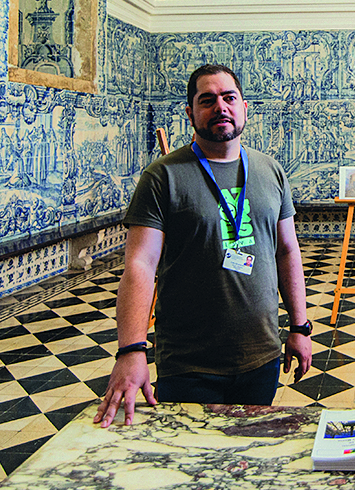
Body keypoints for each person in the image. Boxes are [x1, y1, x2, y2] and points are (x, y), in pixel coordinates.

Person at [95, 64, 312, 426]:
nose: (220, 107)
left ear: (244, 107)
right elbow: (140, 264)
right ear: (190, 112)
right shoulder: (163, 177)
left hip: (261, 355)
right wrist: (131, 350)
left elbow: (287, 251)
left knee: (250, 450)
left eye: (229, 98)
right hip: (189, 363)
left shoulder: (271, 171)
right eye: (207, 100)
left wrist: (300, 327)